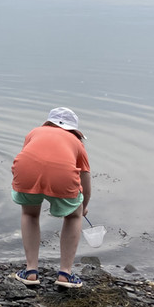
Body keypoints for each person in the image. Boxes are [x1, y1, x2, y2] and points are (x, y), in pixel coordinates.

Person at [11, 107, 91, 288]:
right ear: (74, 130)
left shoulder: (34, 132)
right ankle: (65, 274)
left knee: (30, 214)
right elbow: (85, 179)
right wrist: (83, 206)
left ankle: (31, 271)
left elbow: (32, 157)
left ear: (48, 123)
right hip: (62, 175)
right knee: (73, 216)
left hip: (26, 169)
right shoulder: (77, 142)